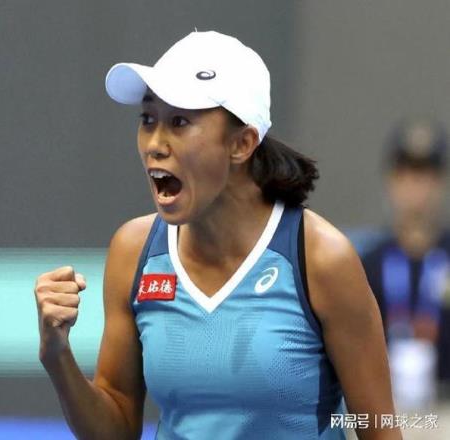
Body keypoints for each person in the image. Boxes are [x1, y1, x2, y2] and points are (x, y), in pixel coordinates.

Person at [34, 31, 400, 439]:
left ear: (242, 143)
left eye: (179, 122)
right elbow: (116, 428)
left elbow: (381, 429)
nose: (154, 144)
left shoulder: (321, 258)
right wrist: (57, 356)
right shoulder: (133, 251)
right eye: (148, 119)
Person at [362, 118, 450, 408]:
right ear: (391, 181)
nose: (416, 187)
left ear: (441, 182)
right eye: (407, 174)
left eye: (426, 174)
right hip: (384, 411)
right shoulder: (367, 265)